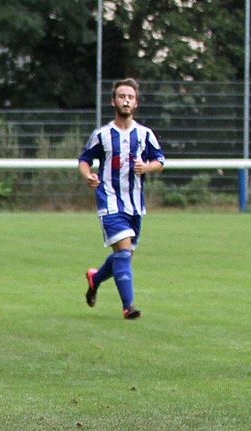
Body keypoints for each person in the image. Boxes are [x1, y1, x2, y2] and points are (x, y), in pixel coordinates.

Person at [79, 78, 165, 319]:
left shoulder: (145, 134)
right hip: (110, 201)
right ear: (113, 101)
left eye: (130, 97)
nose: (125, 100)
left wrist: (146, 167)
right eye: (121, 96)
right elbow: (84, 159)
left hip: (135, 205)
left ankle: (95, 278)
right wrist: (88, 176)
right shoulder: (103, 135)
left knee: (123, 255)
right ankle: (128, 307)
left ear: (136, 103)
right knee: (124, 253)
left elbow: (160, 161)